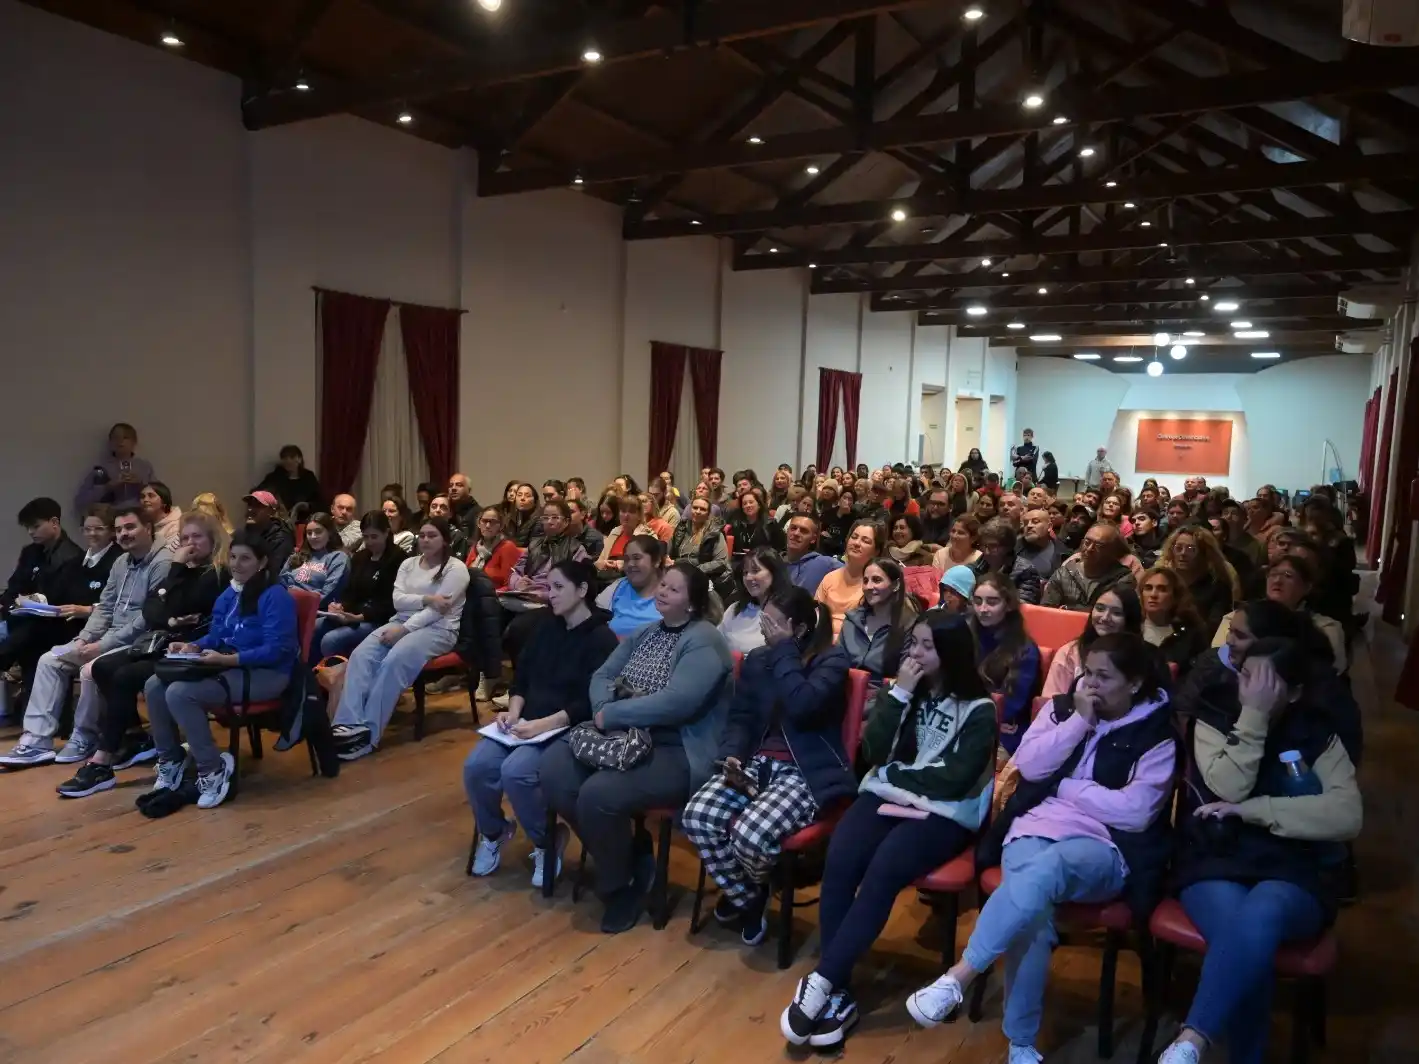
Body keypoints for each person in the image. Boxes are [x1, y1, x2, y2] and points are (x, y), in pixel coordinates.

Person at [906, 634, 1178, 1060]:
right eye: (1088, 672)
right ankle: (1022, 1046)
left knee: (1047, 870)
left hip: (1104, 847)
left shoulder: (1157, 734)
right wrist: (1078, 723)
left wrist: (1067, 788)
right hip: (1031, 830)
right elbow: (1030, 767)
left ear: (1136, 683)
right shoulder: (1061, 709)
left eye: (1104, 677)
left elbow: (1136, 812)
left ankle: (960, 975)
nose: (1091, 684)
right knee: (1032, 916)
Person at [780, 613, 996, 1049]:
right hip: (887, 792)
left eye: (925, 646)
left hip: (944, 812)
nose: (914, 653)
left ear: (950, 654)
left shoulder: (980, 709)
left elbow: (954, 779)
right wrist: (899, 694)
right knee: (840, 857)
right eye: (912, 643)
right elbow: (873, 751)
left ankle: (823, 978)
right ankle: (838, 990)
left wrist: (897, 776)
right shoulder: (906, 691)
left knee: (883, 870)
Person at [1157, 636, 1362, 1064]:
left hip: (1294, 869)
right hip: (1216, 859)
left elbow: (1345, 815)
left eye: (1264, 681)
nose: (1247, 686)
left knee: (1263, 912)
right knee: (1248, 937)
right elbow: (1228, 784)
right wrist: (1253, 715)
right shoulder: (1215, 713)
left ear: (1296, 691)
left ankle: (1192, 1039)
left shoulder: (1317, 730)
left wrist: (1252, 811)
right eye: (1246, 674)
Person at [540, 562, 734, 934]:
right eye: (663, 584)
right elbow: (603, 675)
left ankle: (618, 888)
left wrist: (611, 713)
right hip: (620, 735)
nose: (662, 591)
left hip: (676, 746)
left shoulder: (704, 639)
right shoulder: (647, 632)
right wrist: (601, 711)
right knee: (553, 770)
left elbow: (678, 703)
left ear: (692, 605)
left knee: (598, 794)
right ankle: (629, 859)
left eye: (674, 590)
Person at [685, 585, 854, 948]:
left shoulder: (831, 661)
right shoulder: (759, 659)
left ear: (799, 628)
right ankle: (751, 895)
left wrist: (784, 652)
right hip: (757, 763)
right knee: (697, 816)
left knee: (750, 834)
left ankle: (748, 887)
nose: (764, 627)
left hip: (804, 771)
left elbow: (802, 705)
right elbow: (742, 716)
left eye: (773, 623)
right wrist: (733, 751)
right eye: (764, 618)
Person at [463, 558, 619, 887]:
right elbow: (523, 677)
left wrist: (541, 725)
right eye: (549, 587)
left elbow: (587, 703)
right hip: (527, 722)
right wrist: (514, 711)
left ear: (582, 590)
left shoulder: (601, 639)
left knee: (516, 772)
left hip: (565, 726)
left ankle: (547, 840)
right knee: (477, 766)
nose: (550, 595)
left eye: (558, 587)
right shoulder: (547, 626)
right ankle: (495, 831)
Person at [56, 511, 228, 797]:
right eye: (184, 538)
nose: (189, 543)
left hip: (195, 650)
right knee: (103, 667)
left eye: (197, 537)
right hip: (165, 641)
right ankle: (134, 736)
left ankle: (103, 761)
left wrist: (174, 573)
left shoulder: (215, 573)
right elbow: (154, 611)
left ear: (212, 539)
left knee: (125, 676)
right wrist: (171, 615)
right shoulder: (183, 571)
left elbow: (177, 605)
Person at [0, 507, 173, 768]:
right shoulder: (121, 562)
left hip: (140, 643)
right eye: (119, 529)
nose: (123, 534)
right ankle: (36, 741)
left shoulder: (163, 563)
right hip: (107, 637)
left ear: (148, 528)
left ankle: (85, 736)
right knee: (50, 660)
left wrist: (100, 646)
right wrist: (83, 639)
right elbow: (104, 608)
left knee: (90, 669)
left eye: (130, 527)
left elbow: (146, 620)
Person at [138, 531, 298, 809]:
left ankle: (212, 770)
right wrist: (191, 647)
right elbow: (217, 636)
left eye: (245, 559)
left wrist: (228, 660)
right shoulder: (230, 594)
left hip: (268, 674)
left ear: (262, 563)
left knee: (180, 693)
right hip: (229, 665)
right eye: (233, 557)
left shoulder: (275, 595)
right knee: (154, 685)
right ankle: (171, 759)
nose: (236, 564)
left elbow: (278, 650)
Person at [330, 517, 470, 760]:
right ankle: (347, 727)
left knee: (393, 661)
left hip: (439, 629)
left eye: (432, 535)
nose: (425, 540)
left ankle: (368, 737)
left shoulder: (456, 568)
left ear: (445, 540)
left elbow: (438, 610)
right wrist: (426, 599)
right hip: (400, 621)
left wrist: (404, 629)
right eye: (422, 535)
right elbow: (398, 600)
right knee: (362, 655)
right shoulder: (408, 564)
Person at [1212, 553, 1346, 672]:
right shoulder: (1235, 619)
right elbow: (1217, 659)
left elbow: (1329, 670)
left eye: (1288, 576)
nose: (1277, 581)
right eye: (1273, 574)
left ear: (1307, 587)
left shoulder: (1326, 627)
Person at [314, 511, 408, 659]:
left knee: (331, 640)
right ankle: (314, 675)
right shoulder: (360, 557)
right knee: (313, 627)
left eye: (374, 537)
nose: (369, 542)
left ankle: (338, 679)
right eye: (365, 537)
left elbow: (390, 603)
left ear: (386, 533)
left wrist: (360, 617)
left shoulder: (399, 559)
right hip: (352, 615)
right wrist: (340, 607)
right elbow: (350, 591)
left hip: (378, 620)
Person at [970, 572, 1041, 756]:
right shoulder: (965, 634)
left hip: (1004, 726)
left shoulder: (1024, 649)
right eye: (977, 601)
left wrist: (986, 718)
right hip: (964, 716)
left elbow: (1012, 703)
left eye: (992, 602)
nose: (982, 609)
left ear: (1008, 605)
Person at [1043, 585, 1143, 698]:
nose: (1105, 618)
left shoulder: (1143, 657)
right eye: (1100, 609)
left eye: (1116, 613)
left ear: (1130, 619)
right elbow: (1050, 704)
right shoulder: (1070, 653)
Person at [839, 559, 916, 685]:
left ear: (896, 585)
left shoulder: (909, 626)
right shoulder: (852, 620)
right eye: (865, 581)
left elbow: (904, 679)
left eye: (877, 580)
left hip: (882, 696)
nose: (869, 586)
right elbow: (836, 661)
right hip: (844, 691)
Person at [1158, 526, 1239, 635]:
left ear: (1203, 553)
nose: (1183, 553)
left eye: (1191, 549)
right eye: (1178, 548)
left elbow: (1215, 629)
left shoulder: (1218, 586)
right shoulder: (1164, 580)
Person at [1041, 523, 1136, 611]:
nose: (1090, 549)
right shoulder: (1063, 574)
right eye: (1087, 542)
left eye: (1099, 545)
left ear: (1112, 550)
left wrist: (1071, 609)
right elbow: (1046, 610)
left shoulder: (1122, 578)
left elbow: (1120, 613)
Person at [815, 520, 884, 638]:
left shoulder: (876, 586)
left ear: (876, 552)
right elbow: (815, 615)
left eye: (865, 541)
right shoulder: (830, 577)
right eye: (854, 537)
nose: (857, 543)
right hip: (821, 641)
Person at [718, 548, 792, 654]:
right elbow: (715, 644)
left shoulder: (788, 611)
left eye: (755, 571)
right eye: (745, 572)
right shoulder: (734, 609)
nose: (748, 577)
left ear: (774, 572)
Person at [1140, 567, 1209, 678]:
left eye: (1162, 589)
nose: (1153, 595)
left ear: (1175, 597)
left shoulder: (1191, 634)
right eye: (1148, 588)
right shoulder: (1130, 627)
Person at [595, 535, 666, 638]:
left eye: (637, 558)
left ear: (656, 561)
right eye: (626, 559)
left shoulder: (672, 591)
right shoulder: (617, 587)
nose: (630, 564)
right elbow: (595, 622)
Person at [75, 422, 154, 512]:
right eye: (116, 438)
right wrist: (107, 487)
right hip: (111, 516)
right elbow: (81, 501)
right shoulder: (101, 469)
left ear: (134, 442)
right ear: (110, 442)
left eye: (125, 438)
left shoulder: (144, 467)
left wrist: (142, 484)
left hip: (140, 514)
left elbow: (161, 495)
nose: (120, 441)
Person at [279, 513, 349, 609]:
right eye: (309, 533)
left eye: (318, 532)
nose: (313, 536)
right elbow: (281, 582)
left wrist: (300, 599)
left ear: (330, 532)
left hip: (315, 611)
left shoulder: (338, 557)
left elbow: (327, 595)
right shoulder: (297, 556)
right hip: (286, 606)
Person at [972, 519, 1043, 606]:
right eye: (984, 545)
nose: (986, 552)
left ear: (1008, 547)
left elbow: (1023, 607)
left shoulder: (1025, 571)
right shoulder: (978, 565)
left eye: (993, 546)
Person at [667, 496, 731, 589]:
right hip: (677, 574)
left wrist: (694, 570)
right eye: (695, 508)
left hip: (702, 577)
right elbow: (668, 553)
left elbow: (721, 562)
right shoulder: (681, 529)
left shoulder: (715, 533)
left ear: (708, 513)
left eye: (703, 509)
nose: (697, 511)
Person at [253, 444, 325, 515]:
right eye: (285, 458)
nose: (288, 461)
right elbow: (257, 493)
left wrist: (308, 506)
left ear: (299, 459)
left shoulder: (308, 477)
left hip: (304, 519)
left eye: (292, 457)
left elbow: (320, 501)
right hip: (280, 519)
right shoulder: (275, 477)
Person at [596, 494, 655, 575]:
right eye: (623, 511)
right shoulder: (615, 532)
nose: (626, 515)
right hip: (607, 578)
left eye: (631, 512)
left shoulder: (647, 536)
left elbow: (648, 565)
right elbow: (599, 561)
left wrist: (619, 564)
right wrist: (603, 563)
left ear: (639, 515)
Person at [785, 513, 843, 595]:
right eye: (793, 528)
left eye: (803, 531)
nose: (796, 533)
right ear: (787, 531)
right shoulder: (775, 561)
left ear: (813, 539)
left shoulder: (824, 563)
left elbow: (854, 575)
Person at [465, 506, 521, 591]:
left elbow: (510, 584)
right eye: (484, 521)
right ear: (478, 524)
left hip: (496, 597)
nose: (487, 526)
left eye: (493, 522)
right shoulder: (475, 547)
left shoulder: (507, 547)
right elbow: (464, 576)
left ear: (501, 526)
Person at [243, 491, 294, 577]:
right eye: (250, 504)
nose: (250, 509)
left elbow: (272, 572)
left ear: (271, 512)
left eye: (257, 506)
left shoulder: (281, 537)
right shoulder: (248, 531)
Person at [729, 487, 786, 562]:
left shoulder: (771, 524)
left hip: (766, 564)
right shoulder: (736, 525)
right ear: (742, 508)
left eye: (751, 502)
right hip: (741, 564)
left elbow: (780, 549)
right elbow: (733, 551)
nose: (748, 505)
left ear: (759, 505)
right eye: (744, 504)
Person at [1017, 507, 1064, 580]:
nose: (1029, 525)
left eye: (1035, 522)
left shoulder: (1064, 554)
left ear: (1049, 526)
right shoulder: (1012, 549)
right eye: (1026, 523)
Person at [139, 481, 181, 551]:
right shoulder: (141, 524)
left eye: (151, 496)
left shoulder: (177, 526)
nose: (145, 500)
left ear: (164, 501)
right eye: (142, 497)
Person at [426, 495, 470, 560]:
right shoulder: (421, 534)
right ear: (429, 512)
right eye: (434, 507)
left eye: (443, 507)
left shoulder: (457, 537)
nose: (438, 510)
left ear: (450, 514)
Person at [501, 483, 540, 548]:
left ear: (535, 501)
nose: (522, 498)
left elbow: (534, 551)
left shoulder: (540, 519)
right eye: (519, 495)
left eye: (527, 496)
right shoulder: (509, 518)